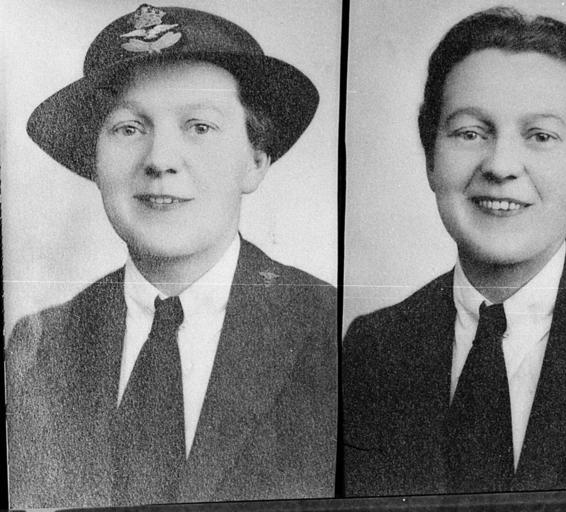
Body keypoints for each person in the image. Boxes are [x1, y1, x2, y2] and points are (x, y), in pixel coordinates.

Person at [6, 4, 336, 508]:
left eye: (199, 126)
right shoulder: (40, 348)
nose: (159, 160)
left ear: (255, 161)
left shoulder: (329, 331)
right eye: (129, 128)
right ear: (94, 161)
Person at [341, 6, 566, 497]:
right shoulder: (374, 346)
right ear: (431, 157)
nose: (500, 166)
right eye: (470, 133)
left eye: (540, 136)